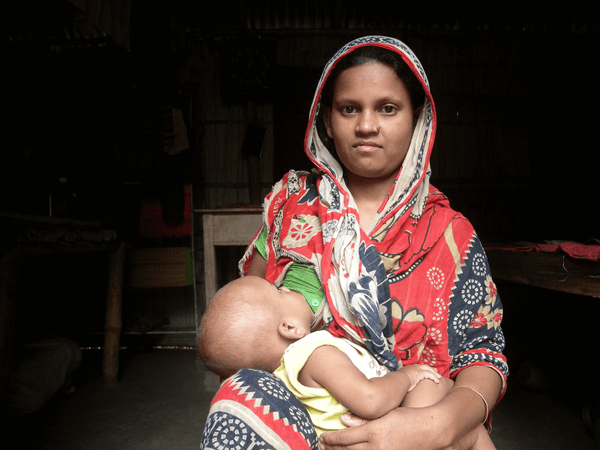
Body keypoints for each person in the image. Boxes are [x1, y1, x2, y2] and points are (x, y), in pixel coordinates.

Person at [200, 35, 508, 450]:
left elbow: (482, 355)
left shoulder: (450, 234)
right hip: (309, 422)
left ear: (417, 118)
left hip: (419, 422)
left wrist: (439, 424)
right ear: (326, 120)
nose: (366, 125)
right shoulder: (292, 207)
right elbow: (246, 329)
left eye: (387, 108)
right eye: (349, 109)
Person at [198, 276, 494, 449]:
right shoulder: (313, 352)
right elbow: (371, 399)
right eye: (278, 291)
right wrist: (407, 375)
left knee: (468, 429)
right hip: (383, 427)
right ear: (289, 328)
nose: (287, 287)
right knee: (433, 388)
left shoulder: (284, 376)